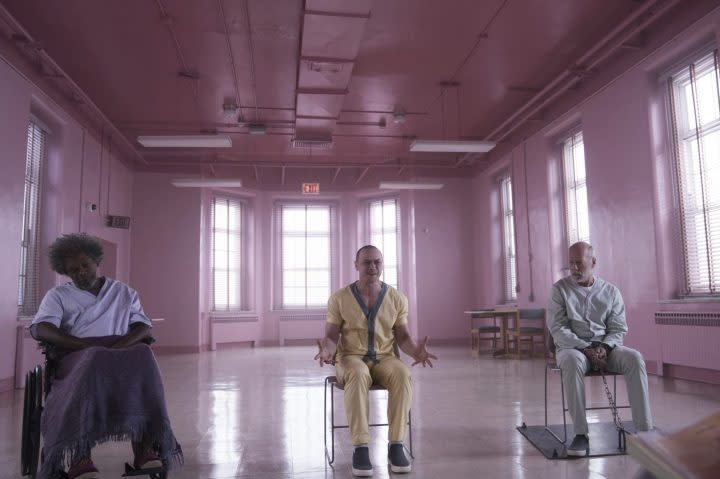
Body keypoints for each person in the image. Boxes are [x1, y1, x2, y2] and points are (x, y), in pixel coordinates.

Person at [30, 233, 182, 479]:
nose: (80, 272)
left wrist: (119, 347)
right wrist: (80, 345)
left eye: (85, 266)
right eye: (73, 269)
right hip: (77, 355)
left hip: (120, 351)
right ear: (65, 272)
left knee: (144, 352)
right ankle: (80, 456)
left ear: (96, 262)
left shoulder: (123, 292)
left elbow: (143, 326)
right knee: (93, 358)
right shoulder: (58, 296)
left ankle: (144, 451)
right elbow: (41, 327)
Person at [315, 245, 437, 476]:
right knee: (358, 373)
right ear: (356, 265)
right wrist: (327, 351)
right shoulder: (339, 298)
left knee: (402, 374)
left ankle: (396, 444)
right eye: (366, 262)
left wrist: (416, 352)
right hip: (351, 358)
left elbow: (403, 337)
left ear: (382, 264)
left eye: (377, 262)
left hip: (384, 357)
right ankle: (360, 448)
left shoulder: (396, 298)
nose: (372, 266)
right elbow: (331, 336)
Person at [548, 241, 653, 456]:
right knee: (571, 361)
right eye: (571, 264)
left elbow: (618, 328)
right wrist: (586, 348)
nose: (574, 269)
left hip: (607, 349)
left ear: (593, 262)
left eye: (579, 263)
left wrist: (604, 347)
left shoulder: (611, 292)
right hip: (573, 349)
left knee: (635, 358)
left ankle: (645, 432)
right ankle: (580, 434)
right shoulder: (559, 290)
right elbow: (558, 328)